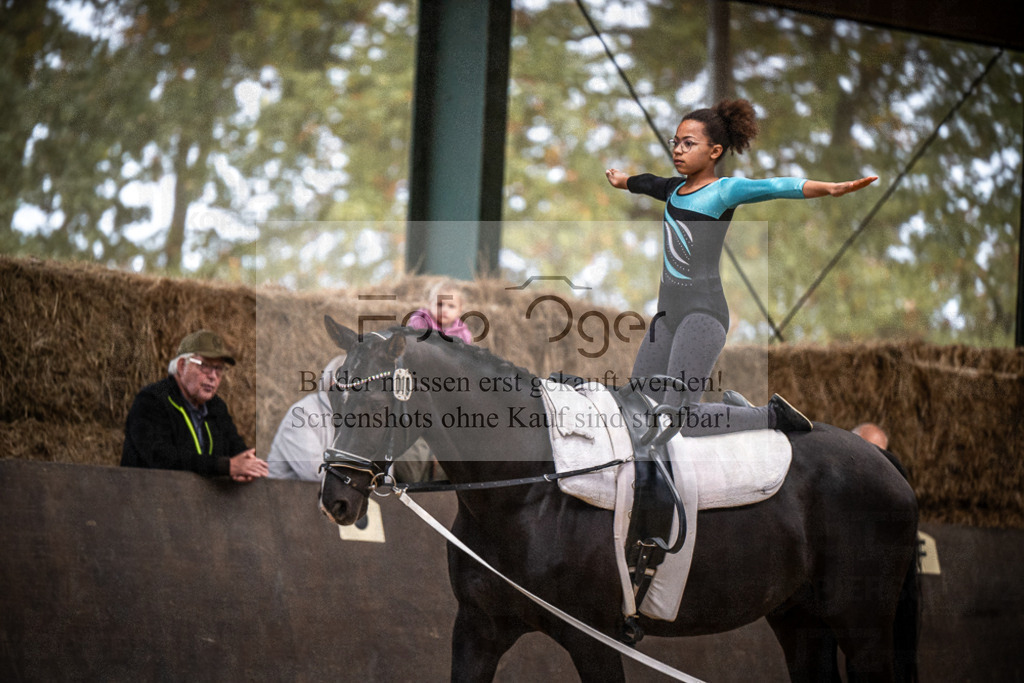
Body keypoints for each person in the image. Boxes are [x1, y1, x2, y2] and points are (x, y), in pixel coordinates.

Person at [605, 98, 877, 435]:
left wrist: (829, 188)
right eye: (676, 142)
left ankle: (773, 416)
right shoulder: (673, 189)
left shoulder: (723, 191)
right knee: (635, 405)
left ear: (715, 151)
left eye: (689, 144)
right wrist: (623, 180)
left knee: (682, 421)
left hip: (703, 315)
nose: (678, 150)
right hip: (667, 317)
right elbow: (646, 182)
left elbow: (775, 186)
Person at [121, 330, 268, 482]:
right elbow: (161, 456)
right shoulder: (152, 401)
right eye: (204, 366)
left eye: (218, 369)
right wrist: (225, 466)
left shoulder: (216, 408)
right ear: (181, 365)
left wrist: (249, 463)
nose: (212, 376)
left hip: (199, 503)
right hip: (148, 497)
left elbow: (236, 449)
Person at [266, 353, 437, 483]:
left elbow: (383, 472)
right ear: (334, 383)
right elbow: (315, 472)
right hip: (286, 506)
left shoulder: (361, 418)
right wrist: (364, 477)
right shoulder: (303, 414)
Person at [267, 354, 347, 481]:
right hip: (281, 496)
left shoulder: (361, 421)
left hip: (332, 498)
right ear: (330, 380)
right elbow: (315, 472)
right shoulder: (302, 414)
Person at [407, 279, 474, 343]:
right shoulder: (421, 322)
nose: (444, 310)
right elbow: (409, 341)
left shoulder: (462, 333)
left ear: (459, 310)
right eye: (440, 305)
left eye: (451, 306)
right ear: (430, 305)